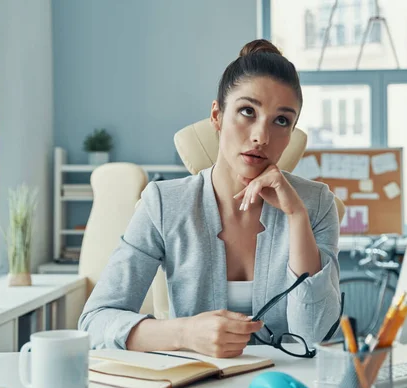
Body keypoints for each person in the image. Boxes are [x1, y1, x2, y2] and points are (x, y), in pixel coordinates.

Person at [79, 39, 341, 358]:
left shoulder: (315, 204)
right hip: (196, 386)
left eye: (281, 120)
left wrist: (297, 217)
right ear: (216, 115)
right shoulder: (163, 203)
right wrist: (185, 332)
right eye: (247, 111)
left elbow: (313, 336)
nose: (261, 136)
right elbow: (95, 322)